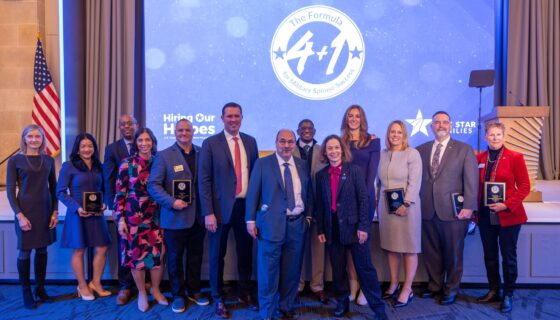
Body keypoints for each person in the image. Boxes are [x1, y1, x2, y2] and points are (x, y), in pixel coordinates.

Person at [316, 135, 387, 320]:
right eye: (330, 148)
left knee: (365, 269)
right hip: (332, 229)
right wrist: (321, 230)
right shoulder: (321, 175)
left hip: (355, 229)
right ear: (325, 152)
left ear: (342, 150)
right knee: (338, 270)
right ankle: (342, 302)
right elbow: (320, 205)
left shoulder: (354, 170)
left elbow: (364, 200)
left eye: (337, 148)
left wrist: (364, 226)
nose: (333, 151)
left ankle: (378, 308)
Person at [198, 102, 259, 318]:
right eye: (229, 116)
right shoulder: (210, 143)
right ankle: (218, 297)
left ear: (242, 117)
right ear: (221, 118)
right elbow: (203, 180)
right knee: (217, 255)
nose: (233, 119)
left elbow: (256, 177)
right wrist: (208, 212)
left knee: (245, 253)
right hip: (219, 210)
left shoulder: (251, 142)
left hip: (245, 208)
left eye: (237, 116)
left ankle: (245, 292)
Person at [246, 129, 313, 320]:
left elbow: (308, 193)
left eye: (290, 142)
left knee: (292, 272)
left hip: (297, 226)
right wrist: (250, 220)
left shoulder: (302, 165)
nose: (286, 145)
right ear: (276, 143)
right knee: (268, 273)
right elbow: (253, 194)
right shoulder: (262, 163)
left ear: (294, 144)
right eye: (282, 141)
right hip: (270, 226)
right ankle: (267, 312)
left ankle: (286, 308)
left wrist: (308, 218)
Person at [416, 111, 478, 305]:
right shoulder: (421, 149)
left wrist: (469, 207)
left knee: (453, 253)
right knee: (431, 252)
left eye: (444, 122)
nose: (441, 125)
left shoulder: (464, 149)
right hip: (426, 210)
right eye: (437, 122)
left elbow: (471, 181)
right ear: (431, 126)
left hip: (454, 212)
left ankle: (451, 288)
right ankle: (435, 286)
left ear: (450, 125)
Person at [148, 119, 208, 313]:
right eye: (180, 130)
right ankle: (178, 295)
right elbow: (153, 185)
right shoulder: (164, 156)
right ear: (174, 132)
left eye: (187, 130)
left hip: (199, 217)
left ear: (193, 131)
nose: (184, 133)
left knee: (196, 256)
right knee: (174, 259)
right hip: (175, 217)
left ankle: (194, 290)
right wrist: (171, 201)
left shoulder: (202, 152)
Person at [475, 122, 530, 313]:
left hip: (508, 215)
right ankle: (493, 290)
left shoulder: (516, 157)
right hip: (485, 216)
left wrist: (505, 204)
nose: (495, 138)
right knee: (490, 255)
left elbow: (524, 187)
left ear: (504, 136)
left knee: (508, 257)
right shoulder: (479, 157)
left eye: (498, 134)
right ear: (485, 138)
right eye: (491, 135)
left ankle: (508, 294)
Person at [114, 128, 167, 312]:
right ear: (135, 143)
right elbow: (120, 194)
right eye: (140, 140)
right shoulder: (126, 164)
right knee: (136, 256)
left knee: (157, 254)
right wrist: (120, 219)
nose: (144, 143)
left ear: (153, 141)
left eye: (147, 140)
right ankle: (142, 293)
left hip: (157, 215)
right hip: (133, 216)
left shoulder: (161, 161)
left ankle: (156, 290)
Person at [6, 124, 58, 309]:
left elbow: (53, 188)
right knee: (26, 251)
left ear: (43, 139)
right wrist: (19, 215)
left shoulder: (49, 160)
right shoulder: (15, 161)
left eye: (38, 136)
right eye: (31, 136)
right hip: (25, 211)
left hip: (44, 211)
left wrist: (54, 211)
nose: (35, 140)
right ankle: (27, 292)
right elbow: (11, 191)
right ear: (25, 139)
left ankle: (40, 289)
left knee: (42, 250)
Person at [57, 133, 112, 301]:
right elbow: (60, 192)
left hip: (96, 214)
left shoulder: (99, 166)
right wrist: (77, 208)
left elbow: (104, 189)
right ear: (78, 149)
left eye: (90, 146)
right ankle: (82, 285)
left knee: (102, 247)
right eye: (83, 146)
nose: (87, 149)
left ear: (94, 148)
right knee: (79, 249)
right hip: (77, 214)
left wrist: (104, 203)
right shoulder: (69, 166)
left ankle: (96, 283)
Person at [376, 120, 422, 307]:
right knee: (391, 246)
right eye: (392, 132)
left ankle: (407, 288)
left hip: (407, 208)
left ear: (404, 135)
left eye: (398, 132)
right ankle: (394, 283)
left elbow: (415, 181)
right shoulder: (382, 154)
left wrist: (407, 203)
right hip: (386, 207)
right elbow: (378, 182)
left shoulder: (412, 153)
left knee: (409, 248)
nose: (395, 135)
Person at [340, 104, 381, 304]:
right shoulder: (341, 142)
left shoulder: (373, 141)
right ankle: (353, 285)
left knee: (362, 244)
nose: (354, 119)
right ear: (346, 119)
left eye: (357, 116)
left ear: (362, 118)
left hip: (364, 197)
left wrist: (361, 198)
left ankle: (365, 288)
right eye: (350, 115)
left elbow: (371, 173)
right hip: (345, 200)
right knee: (349, 246)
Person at [102, 114, 139, 305]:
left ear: (136, 125)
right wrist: (114, 209)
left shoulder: (146, 143)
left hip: (145, 207)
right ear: (119, 128)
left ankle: (144, 284)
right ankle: (125, 285)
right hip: (124, 206)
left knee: (144, 245)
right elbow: (108, 179)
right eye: (123, 124)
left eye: (130, 123)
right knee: (125, 246)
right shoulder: (112, 149)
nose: (127, 127)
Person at [293, 119, 328, 304]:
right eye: (303, 128)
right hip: (296, 206)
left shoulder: (323, 150)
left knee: (318, 249)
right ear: (298, 131)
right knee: (296, 247)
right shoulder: (289, 148)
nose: (306, 131)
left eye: (310, 128)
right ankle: (296, 285)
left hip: (319, 207)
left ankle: (317, 286)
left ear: (315, 131)